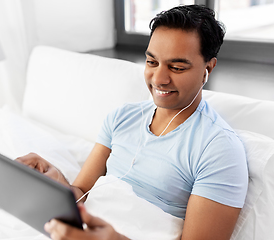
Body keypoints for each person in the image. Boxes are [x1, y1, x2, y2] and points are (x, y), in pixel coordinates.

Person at [17, 4, 248, 240]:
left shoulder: (219, 150)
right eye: (151, 62)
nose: (159, 79)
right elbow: (83, 192)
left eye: (177, 67)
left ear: (208, 68)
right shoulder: (122, 118)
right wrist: (56, 180)